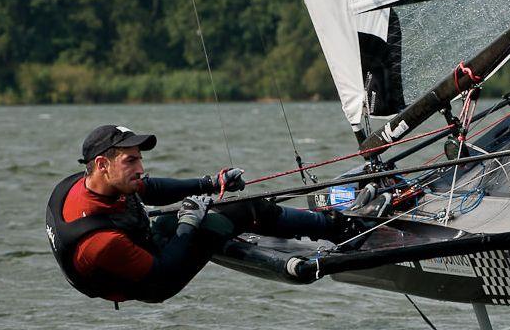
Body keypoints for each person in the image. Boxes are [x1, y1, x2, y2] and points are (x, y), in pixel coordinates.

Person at [46, 125, 342, 306]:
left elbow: (149, 189)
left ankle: (243, 227)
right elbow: (164, 271)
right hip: (155, 281)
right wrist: (189, 223)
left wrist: (211, 183)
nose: (140, 167)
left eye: (140, 158)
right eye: (131, 160)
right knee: (242, 208)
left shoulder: (90, 181)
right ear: (102, 164)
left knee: (200, 214)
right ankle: (335, 226)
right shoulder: (100, 242)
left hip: (142, 248)